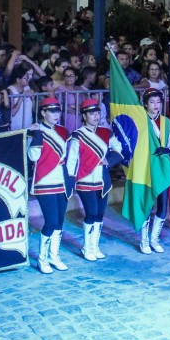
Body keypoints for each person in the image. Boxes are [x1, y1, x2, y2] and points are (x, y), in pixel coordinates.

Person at [65, 99, 123, 261]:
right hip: (84, 179)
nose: (96, 116)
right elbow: (71, 161)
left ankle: (95, 245)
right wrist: (70, 181)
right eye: (92, 113)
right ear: (84, 116)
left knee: (99, 214)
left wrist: (109, 161)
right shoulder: (78, 136)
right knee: (90, 213)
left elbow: (119, 150)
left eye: (97, 113)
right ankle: (87, 247)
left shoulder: (106, 133)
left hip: (102, 180)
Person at [27, 97, 70, 274]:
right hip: (44, 181)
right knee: (51, 221)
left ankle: (54, 256)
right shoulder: (36, 131)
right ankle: (42, 259)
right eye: (51, 111)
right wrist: (36, 135)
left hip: (61, 181)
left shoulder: (62, 131)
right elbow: (33, 157)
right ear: (43, 113)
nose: (56, 115)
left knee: (59, 221)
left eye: (58, 111)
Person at [141, 89, 170, 252]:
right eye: (152, 102)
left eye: (158, 102)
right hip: (145, 169)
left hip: (162, 168)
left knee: (162, 205)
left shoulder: (167, 123)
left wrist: (167, 150)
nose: (156, 105)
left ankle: (154, 239)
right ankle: (144, 241)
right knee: (147, 205)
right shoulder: (140, 121)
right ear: (145, 104)